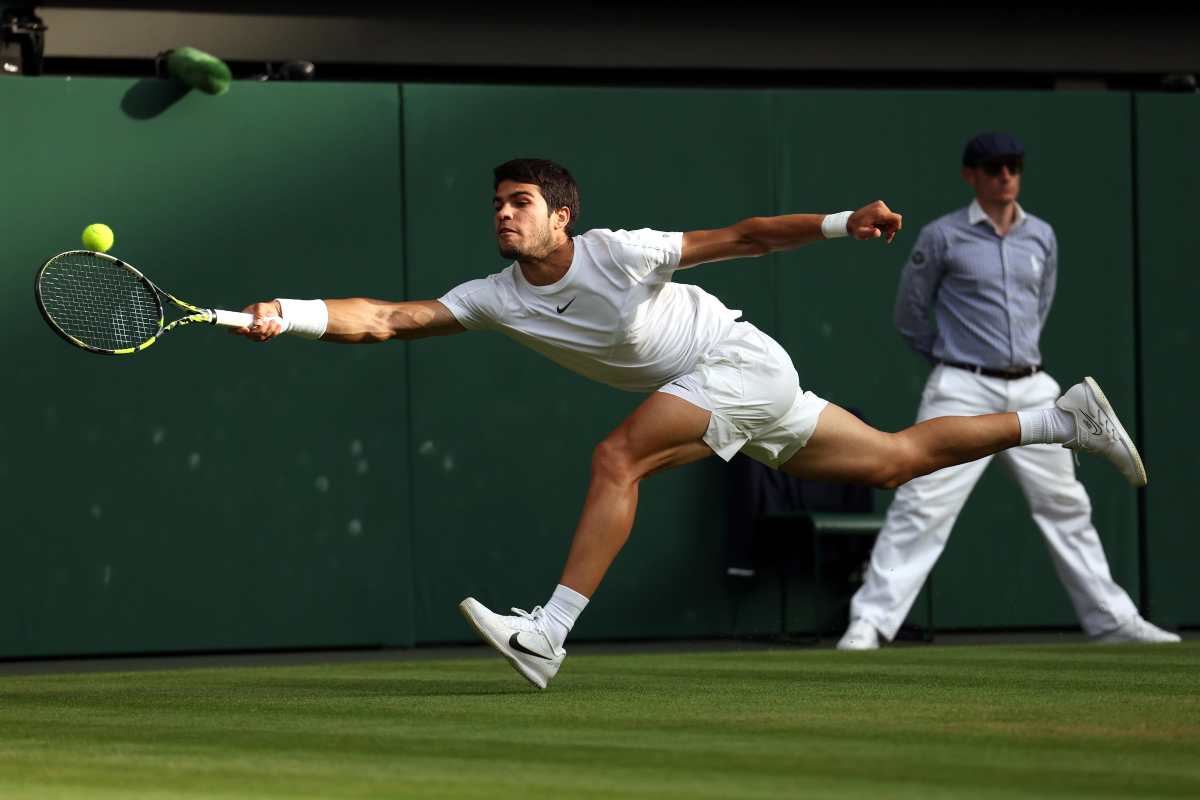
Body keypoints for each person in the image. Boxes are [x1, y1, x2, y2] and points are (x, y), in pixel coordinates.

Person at [235, 158, 1151, 688]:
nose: (504, 217)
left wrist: (846, 221)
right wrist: (296, 310)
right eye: (497, 207)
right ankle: (1056, 419)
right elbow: (390, 319)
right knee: (894, 463)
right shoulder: (497, 295)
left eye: (520, 205)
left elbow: (747, 236)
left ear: (562, 215)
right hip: (739, 389)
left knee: (615, 458)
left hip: (738, 364)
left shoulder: (617, 255)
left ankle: (548, 632)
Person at [836, 133, 1179, 652]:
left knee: (1066, 505)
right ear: (971, 175)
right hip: (961, 386)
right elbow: (909, 315)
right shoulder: (941, 236)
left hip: (1035, 386)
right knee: (922, 504)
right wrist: (956, 363)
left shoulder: (1041, 235)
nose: (1005, 176)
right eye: (994, 167)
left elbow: (1040, 306)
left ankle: (1112, 621)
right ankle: (870, 623)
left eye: (1013, 166)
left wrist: (1014, 363)